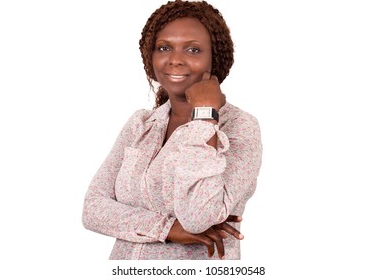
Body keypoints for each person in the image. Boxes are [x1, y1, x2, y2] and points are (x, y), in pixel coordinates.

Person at [82, 0, 262, 260]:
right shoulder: (141, 124)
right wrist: (168, 228)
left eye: (193, 49)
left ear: (216, 58)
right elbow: (93, 209)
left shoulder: (239, 126)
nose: (175, 60)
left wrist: (204, 117)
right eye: (164, 47)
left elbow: (199, 217)